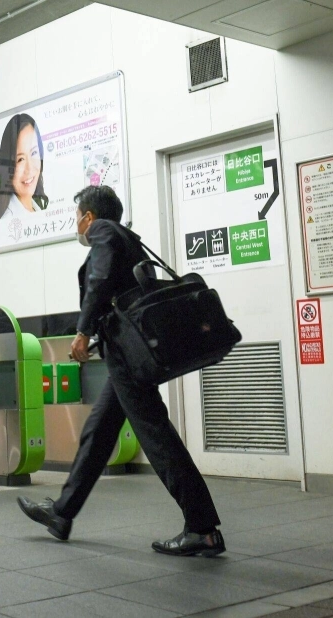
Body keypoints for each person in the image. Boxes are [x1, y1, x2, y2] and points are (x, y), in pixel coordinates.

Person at [17, 185, 225, 557]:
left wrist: (82, 330)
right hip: (125, 356)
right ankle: (62, 514)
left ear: (89, 216)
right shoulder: (128, 237)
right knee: (98, 434)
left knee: (156, 436)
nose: (77, 224)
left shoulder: (105, 232)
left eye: (78, 216)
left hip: (128, 361)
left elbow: (99, 279)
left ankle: (202, 527)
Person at [0, 113, 49, 220]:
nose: (30, 168)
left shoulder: (36, 207)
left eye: (34, 153)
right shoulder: (8, 221)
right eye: (20, 159)